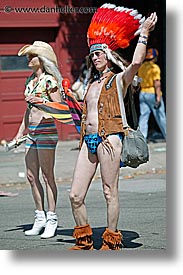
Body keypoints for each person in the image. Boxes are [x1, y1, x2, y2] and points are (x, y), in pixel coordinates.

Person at [68, 4, 158, 250]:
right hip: (89, 142)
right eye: (93, 55)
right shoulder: (90, 85)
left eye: (99, 54)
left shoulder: (119, 81)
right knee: (75, 195)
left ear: (108, 55)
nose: (95, 57)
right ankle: (84, 239)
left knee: (110, 192)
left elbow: (137, 62)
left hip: (110, 140)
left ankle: (111, 238)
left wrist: (144, 33)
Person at [14, 41, 63, 238]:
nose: (28, 58)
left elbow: (60, 107)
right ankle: (40, 217)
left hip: (46, 131)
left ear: (41, 60)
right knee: (31, 176)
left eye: (32, 55)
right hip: (31, 133)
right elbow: (28, 110)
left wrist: (42, 101)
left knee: (47, 175)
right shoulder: (30, 81)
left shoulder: (50, 81)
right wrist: (19, 132)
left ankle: (52, 218)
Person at [138, 48, 166, 140]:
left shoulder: (141, 67)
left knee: (143, 117)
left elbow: (138, 80)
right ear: (155, 57)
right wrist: (158, 97)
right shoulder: (154, 68)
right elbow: (157, 83)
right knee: (160, 116)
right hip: (152, 93)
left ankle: (142, 138)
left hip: (142, 93)